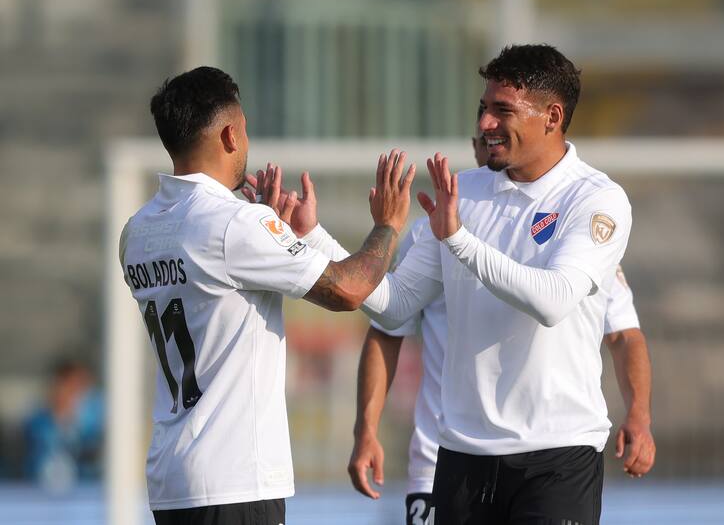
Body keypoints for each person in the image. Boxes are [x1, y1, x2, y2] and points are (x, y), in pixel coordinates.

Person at [293, 43, 637, 524]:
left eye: (502, 111)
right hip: (460, 457)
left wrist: (458, 239)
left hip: (556, 455)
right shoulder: (464, 193)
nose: (485, 124)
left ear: (552, 117)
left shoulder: (596, 199)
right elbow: (395, 307)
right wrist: (313, 238)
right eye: (483, 109)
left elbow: (554, 301)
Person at [119, 66, 415, 525]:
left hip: (171, 479)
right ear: (230, 135)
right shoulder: (234, 224)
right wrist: (388, 224)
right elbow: (351, 290)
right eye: (247, 130)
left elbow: (216, 283)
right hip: (235, 480)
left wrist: (277, 234)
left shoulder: (137, 230)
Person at [347, 124, 655, 524]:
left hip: (550, 450)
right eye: (482, 134)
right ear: (474, 145)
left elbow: (623, 334)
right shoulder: (435, 225)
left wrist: (640, 415)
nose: (490, 140)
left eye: (501, 121)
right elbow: (388, 325)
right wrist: (365, 428)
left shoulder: (577, 229)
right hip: (445, 455)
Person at [24, 360, 103, 490]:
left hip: (85, 496)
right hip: (39, 496)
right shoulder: (38, 424)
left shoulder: (93, 424)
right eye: (71, 387)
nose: (75, 395)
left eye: (81, 389)